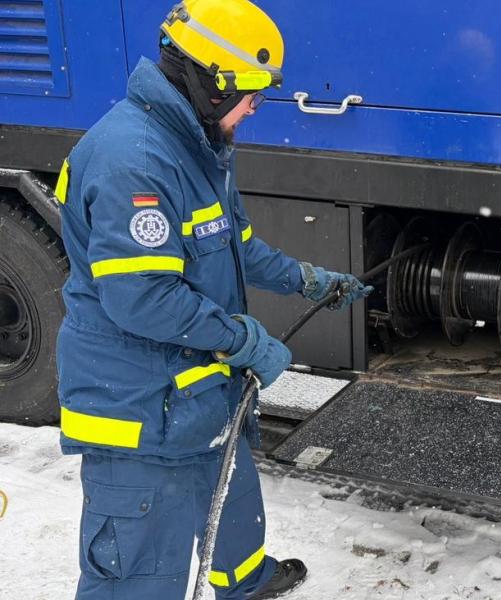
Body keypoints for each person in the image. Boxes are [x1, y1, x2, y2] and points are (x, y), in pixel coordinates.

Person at [54, 1, 373, 597]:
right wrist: (245, 340)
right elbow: (142, 298)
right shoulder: (135, 160)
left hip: (196, 387)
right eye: (250, 92)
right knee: (141, 568)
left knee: (233, 489)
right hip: (141, 407)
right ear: (210, 80)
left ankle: (241, 577)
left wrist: (309, 280)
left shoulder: (198, 147)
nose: (256, 106)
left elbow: (236, 246)